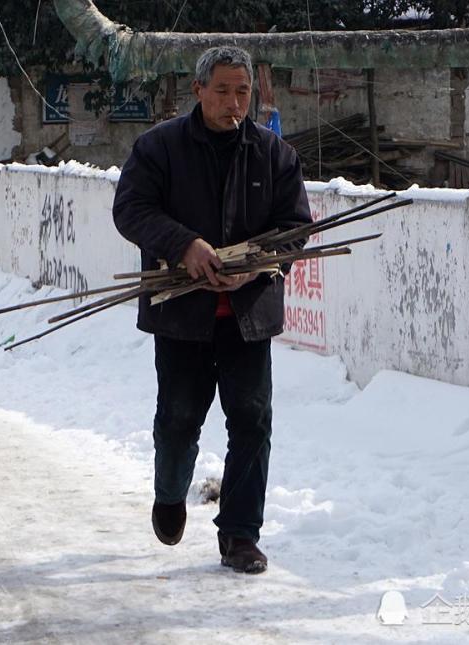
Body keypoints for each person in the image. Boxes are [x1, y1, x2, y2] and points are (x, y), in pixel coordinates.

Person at [113, 46, 312, 574]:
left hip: (249, 317)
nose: (233, 102)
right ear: (198, 90)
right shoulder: (159, 148)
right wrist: (185, 245)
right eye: (222, 90)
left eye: (242, 91)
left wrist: (259, 264)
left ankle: (241, 535)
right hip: (182, 317)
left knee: (252, 422)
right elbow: (130, 209)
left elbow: (296, 229)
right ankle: (171, 493)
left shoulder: (275, 155)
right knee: (178, 421)